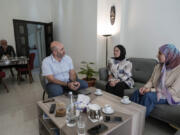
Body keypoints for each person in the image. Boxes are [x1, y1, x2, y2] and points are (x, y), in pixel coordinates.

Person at [130, 44, 180, 117]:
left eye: (160, 53)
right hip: (156, 90)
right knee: (138, 92)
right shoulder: (159, 66)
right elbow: (151, 80)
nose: (157, 55)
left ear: (169, 54)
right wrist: (145, 87)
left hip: (170, 95)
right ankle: (129, 114)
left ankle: (138, 119)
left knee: (148, 96)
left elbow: (172, 91)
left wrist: (151, 90)